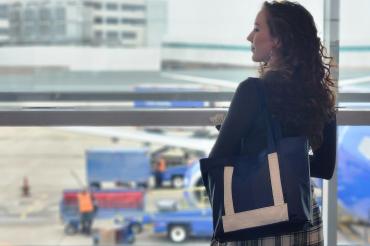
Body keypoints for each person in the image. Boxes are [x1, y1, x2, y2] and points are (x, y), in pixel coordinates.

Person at [208, 1, 336, 245]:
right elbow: (324, 167)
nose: (249, 37)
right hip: (302, 216)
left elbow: (218, 162)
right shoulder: (319, 94)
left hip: (256, 219)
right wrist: (284, 157)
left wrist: (233, 133)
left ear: (278, 40)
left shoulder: (251, 91)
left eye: (257, 29)